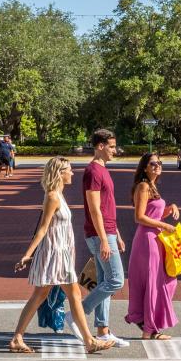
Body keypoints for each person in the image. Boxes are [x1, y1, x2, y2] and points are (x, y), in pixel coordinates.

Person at [10, 157, 112, 355]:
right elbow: (43, 228)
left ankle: (17, 337)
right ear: (59, 173)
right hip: (54, 253)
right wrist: (27, 255)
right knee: (65, 294)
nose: (72, 173)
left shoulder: (59, 195)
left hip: (61, 252)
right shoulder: (53, 196)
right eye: (69, 170)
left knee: (46, 294)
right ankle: (89, 340)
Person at [69, 128, 130, 347]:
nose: (115, 150)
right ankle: (77, 314)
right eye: (112, 146)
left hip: (109, 232)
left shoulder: (103, 169)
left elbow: (108, 208)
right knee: (116, 279)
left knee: (105, 281)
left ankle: (102, 330)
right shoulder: (92, 172)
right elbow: (94, 209)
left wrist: (117, 235)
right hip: (98, 234)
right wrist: (105, 239)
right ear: (100, 146)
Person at [125, 153, 180, 339]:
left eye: (159, 163)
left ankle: (151, 327)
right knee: (154, 283)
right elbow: (139, 217)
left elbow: (153, 214)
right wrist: (164, 225)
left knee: (162, 281)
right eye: (153, 163)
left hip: (155, 239)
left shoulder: (152, 186)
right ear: (145, 167)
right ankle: (150, 329)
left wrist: (170, 208)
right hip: (147, 240)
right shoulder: (143, 186)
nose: (157, 166)